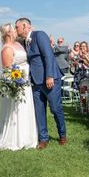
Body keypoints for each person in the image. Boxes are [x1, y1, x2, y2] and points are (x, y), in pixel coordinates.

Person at [15, 18, 67, 149]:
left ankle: (62, 135)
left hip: (50, 79)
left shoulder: (39, 35)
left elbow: (48, 55)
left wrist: (49, 76)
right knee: (39, 111)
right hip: (35, 82)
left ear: (25, 25)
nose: (16, 30)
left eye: (17, 27)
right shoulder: (24, 42)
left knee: (55, 108)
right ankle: (43, 138)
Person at [0, 23, 38, 150]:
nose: (16, 31)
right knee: (18, 111)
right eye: (14, 29)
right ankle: (16, 138)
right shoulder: (6, 49)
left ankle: (29, 136)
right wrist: (17, 85)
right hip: (19, 85)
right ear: (9, 33)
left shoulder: (18, 44)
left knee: (26, 110)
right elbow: (8, 70)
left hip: (26, 83)